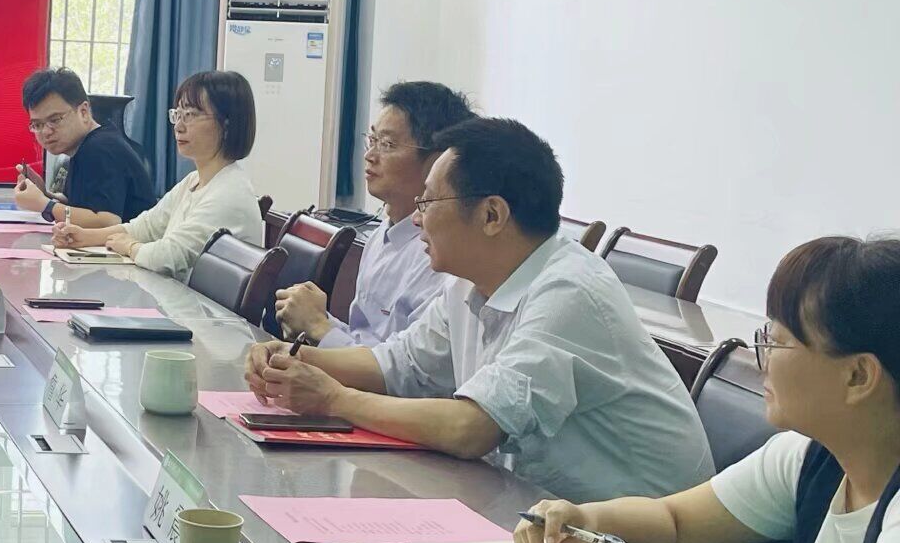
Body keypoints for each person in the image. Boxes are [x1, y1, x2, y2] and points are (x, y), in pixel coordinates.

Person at [245, 117, 713, 504]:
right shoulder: (469, 281)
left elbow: (471, 428)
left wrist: (332, 398)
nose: (417, 218)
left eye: (429, 202)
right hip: (535, 515)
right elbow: (398, 366)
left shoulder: (569, 293)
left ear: (492, 215)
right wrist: (297, 360)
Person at [515, 236, 900, 543]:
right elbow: (676, 522)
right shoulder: (811, 457)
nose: (762, 360)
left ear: (858, 376)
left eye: (777, 342)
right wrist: (586, 519)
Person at [275, 81, 474, 347]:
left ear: (438, 162)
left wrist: (319, 327)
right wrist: (317, 321)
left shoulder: (440, 255)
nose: (370, 155)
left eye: (388, 144)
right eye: (372, 140)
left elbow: (402, 366)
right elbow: (363, 338)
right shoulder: (382, 233)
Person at [53, 70, 266, 280]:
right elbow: (147, 226)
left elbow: (167, 256)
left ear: (227, 123)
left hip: (197, 302)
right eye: (178, 114)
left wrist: (130, 247)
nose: (179, 127)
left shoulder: (228, 194)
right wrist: (85, 237)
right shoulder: (194, 180)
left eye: (191, 115)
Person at [11, 67, 156, 227]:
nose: (45, 131)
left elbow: (108, 221)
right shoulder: (86, 146)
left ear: (84, 112)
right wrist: (45, 194)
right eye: (37, 124)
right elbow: (82, 206)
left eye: (55, 120)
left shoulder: (100, 148)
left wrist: (45, 205)